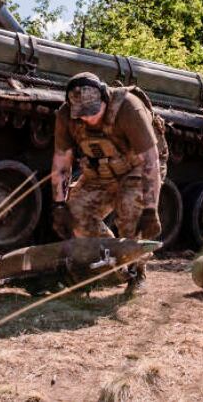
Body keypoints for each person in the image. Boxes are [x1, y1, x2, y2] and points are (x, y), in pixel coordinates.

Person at [48, 72, 166, 292]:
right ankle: (110, 265)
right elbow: (62, 163)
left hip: (137, 168)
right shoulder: (66, 116)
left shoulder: (129, 108)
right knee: (75, 214)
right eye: (82, 114)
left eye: (93, 112)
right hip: (100, 172)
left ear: (104, 98)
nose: (89, 119)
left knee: (131, 211)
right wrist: (59, 204)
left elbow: (150, 160)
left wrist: (151, 209)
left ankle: (137, 273)